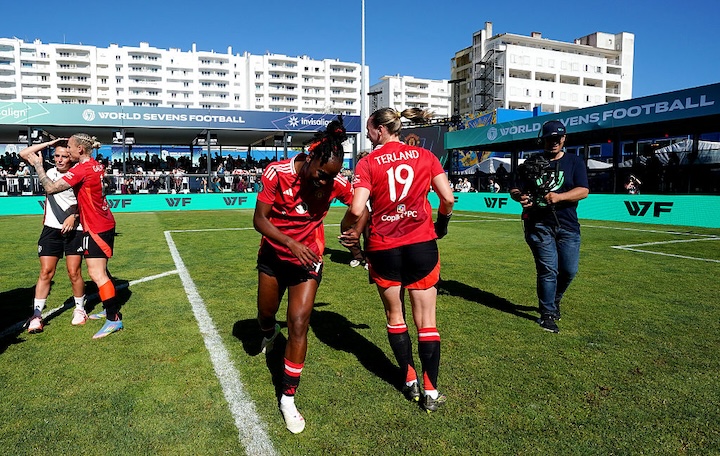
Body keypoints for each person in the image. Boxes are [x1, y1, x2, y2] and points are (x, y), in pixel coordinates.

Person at [253, 116, 366, 434]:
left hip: (308, 262)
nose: (324, 183)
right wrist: (289, 242)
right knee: (265, 316)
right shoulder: (277, 173)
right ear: (311, 156)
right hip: (273, 257)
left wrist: (354, 229)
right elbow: (260, 220)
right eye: (320, 174)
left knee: (299, 322)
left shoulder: (336, 182)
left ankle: (288, 398)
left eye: (330, 178)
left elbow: (361, 206)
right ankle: (269, 333)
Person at [340, 107, 455, 413]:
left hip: (383, 247)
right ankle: (430, 392)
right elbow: (448, 198)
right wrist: (441, 224)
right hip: (421, 245)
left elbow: (356, 208)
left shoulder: (367, 163)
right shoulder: (425, 156)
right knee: (427, 322)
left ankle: (409, 379)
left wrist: (351, 229)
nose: (366, 134)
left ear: (380, 130)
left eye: (368, 129)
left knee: (395, 316)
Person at [24, 133, 124, 339]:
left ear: (80, 149)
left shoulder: (82, 169)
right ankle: (109, 308)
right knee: (100, 270)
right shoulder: (95, 164)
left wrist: (38, 166)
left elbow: (51, 188)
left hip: (97, 226)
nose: (66, 151)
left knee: (97, 274)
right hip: (99, 222)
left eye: (69, 147)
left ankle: (113, 319)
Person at [509, 120, 589, 333]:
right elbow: (515, 190)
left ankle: (554, 299)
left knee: (569, 270)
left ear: (564, 139)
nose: (553, 142)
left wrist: (559, 197)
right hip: (538, 224)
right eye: (549, 138)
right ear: (542, 139)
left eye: (557, 138)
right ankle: (547, 314)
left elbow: (583, 191)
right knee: (548, 270)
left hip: (568, 224)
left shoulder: (575, 162)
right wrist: (521, 197)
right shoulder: (530, 163)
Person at [19, 139, 86, 333]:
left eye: (65, 156)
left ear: (72, 157)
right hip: (51, 229)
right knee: (46, 272)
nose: (60, 159)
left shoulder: (79, 174)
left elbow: (88, 204)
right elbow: (24, 153)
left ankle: (80, 309)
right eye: (57, 155)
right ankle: (37, 315)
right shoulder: (48, 173)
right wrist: (51, 142)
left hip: (75, 229)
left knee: (74, 272)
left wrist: (74, 217)